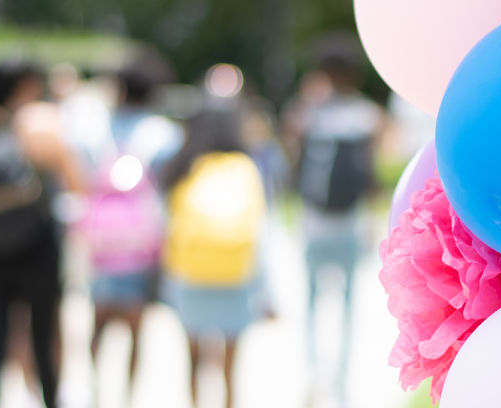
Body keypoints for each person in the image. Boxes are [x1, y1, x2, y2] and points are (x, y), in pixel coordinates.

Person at [0, 60, 80, 408]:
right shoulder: (39, 122)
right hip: (36, 249)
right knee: (42, 339)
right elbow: (76, 180)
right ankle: (50, 400)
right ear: (24, 86)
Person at [75, 49, 183, 401]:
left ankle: (93, 388)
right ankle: (127, 396)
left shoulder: (99, 129)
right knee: (137, 328)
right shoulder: (163, 134)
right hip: (141, 239)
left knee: (99, 321)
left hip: (102, 239)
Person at [283, 39, 385, 405]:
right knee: (346, 303)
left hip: (314, 219)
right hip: (351, 220)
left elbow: (291, 150)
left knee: (311, 300)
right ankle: (340, 380)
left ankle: (313, 371)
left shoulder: (310, 112)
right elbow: (371, 175)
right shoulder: (366, 115)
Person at [162, 97, 270, 408]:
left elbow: (168, 223)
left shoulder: (185, 165)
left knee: (193, 358)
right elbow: (264, 229)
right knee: (230, 366)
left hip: (190, 271)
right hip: (235, 272)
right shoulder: (246, 166)